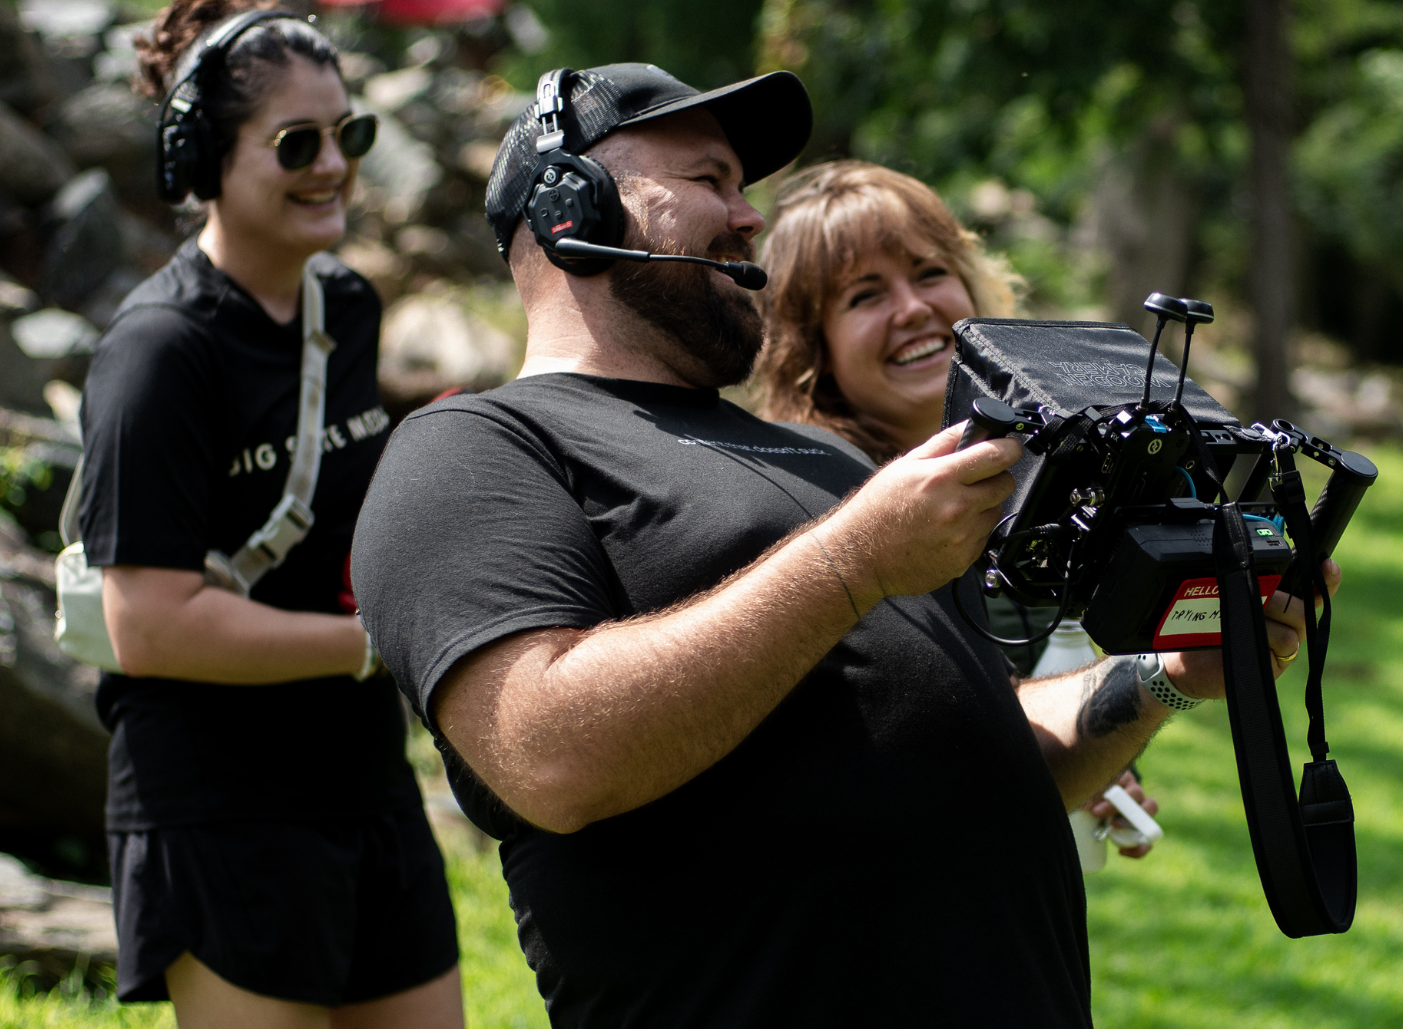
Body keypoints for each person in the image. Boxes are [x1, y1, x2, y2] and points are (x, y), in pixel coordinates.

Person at [351, 62, 1332, 1028]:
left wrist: (1164, 671)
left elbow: (978, 764)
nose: (749, 221)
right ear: (572, 211)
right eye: (708, 183)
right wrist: (854, 560)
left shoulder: (827, 467)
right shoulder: (474, 448)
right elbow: (545, 756)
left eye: (747, 190)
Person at [75, 0, 461, 1027]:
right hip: (219, 805)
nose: (334, 165)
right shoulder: (159, 354)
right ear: (205, 161)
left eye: (351, 134)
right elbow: (145, 625)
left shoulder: (347, 307)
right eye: (297, 144)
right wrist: (373, 643)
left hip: (364, 779)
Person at [752, 158, 1161, 856]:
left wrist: (1102, 764)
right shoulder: (810, 514)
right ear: (807, 349)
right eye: (864, 295)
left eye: (930, 272)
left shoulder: (1034, 486)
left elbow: (1021, 712)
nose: (913, 307)